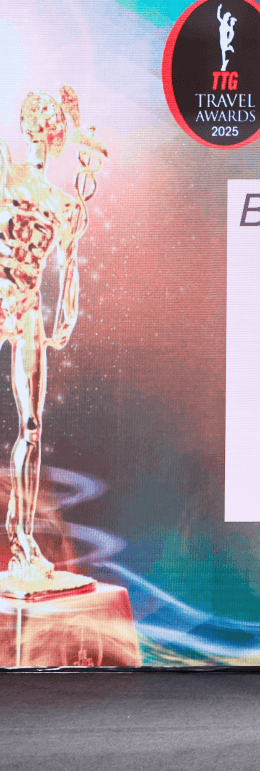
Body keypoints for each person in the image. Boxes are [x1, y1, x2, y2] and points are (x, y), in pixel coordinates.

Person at [1, 87, 105, 588]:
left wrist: (63, 321)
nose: (48, 131)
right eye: (42, 120)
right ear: (28, 125)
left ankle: (22, 539)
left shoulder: (64, 205)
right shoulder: (7, 171)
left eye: (55, 124)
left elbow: (68, 269)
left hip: (26, 309)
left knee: (32, 425)